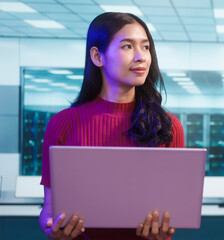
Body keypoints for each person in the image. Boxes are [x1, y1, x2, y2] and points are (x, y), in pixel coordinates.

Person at [39, 12, 184, 240]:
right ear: (97, 56)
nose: (142, 57)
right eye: (127, 46)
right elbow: (49, 209)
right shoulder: (62, 124)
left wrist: (163, 230)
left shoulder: (169, 126)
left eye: (146, 47)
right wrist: (52, 227)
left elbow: (172, 212)